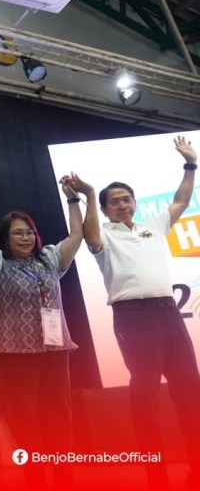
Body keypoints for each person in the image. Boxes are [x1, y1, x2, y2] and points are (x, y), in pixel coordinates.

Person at [72, 137, 200, 491]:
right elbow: (90, 236)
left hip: (169, 313)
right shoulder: (103, 234)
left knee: (190, 392)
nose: (122, 204)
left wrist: (190, 164)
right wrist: (89, 194)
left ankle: (196, 469)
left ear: (134, 202)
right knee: (145, 397)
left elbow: (181, 201)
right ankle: (156, 476)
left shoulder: (153, 225)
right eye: (114, 201)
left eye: (126, 198)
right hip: (133, 318)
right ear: (105, 209)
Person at [0, 181, 87, 490]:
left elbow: (76, 236)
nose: (25, 237)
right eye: (18, 233)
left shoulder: (49, 259)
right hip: (17, 355)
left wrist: (73, 200)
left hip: (55, 351)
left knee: (60, 416)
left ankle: (64, 479)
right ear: (5, 238)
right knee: (26, 418)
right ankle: (35, 479)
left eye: (29, 232)